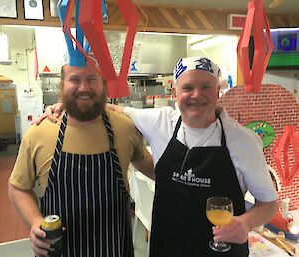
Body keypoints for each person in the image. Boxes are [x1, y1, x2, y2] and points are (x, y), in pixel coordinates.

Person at [37, 56, 278, 257]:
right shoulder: (160, 122)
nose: (197, 95)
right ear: (175, 93)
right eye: (187, 87)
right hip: (167, 248)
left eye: (206, 87)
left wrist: (245, 224)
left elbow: (268, 203)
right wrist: (65, 104)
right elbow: (110, 108)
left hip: (221, 250)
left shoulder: (244, 141)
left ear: (218, 91)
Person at [8, 59, 154, 257]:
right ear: (62, 85)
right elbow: (18, 187)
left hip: (115, 248)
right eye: (75, 79)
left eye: (92, 79)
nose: (84, 88)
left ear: (104, 84)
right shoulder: (39, 133)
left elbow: (154, 169)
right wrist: (35, 222)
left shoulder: (125, 127)